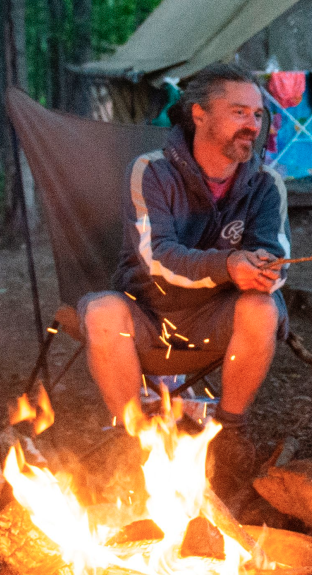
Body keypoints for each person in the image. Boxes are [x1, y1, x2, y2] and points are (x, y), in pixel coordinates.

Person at [78, 62, 290, 504]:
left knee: (262, 308)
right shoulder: (152, 171)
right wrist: (228, 264)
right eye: (238, 113)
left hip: (217, 317)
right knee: (101, 311)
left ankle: (231, 433)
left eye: (256, 115)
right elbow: (156, 257)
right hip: (150, 313)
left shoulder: (266, 185)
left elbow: (275, 256)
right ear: (198, 114)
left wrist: (265, 270)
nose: (252, 125)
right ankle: (133, 440)